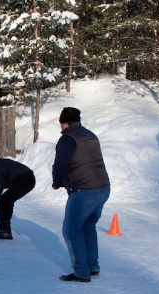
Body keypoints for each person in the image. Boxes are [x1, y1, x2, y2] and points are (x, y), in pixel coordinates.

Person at [52, 107, 110, 283]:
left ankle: (80, 272)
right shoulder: (90, 135)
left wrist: (57, 181)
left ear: (64, 122)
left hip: (83, 190)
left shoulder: (68, 138)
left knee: (71, 230)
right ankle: (92, 267)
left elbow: (60, 164)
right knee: (88, 226)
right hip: (103, 187)